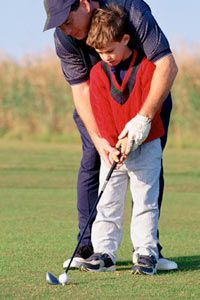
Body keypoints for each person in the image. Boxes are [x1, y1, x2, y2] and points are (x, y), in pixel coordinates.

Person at [43, 0, 178, 271]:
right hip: (101, 107)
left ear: (83, 4)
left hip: (146, 101)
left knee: (147, 182)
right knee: (94, 159)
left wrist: (142, 122)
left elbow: (166, 65)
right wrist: (101, 140)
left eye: (68, 21)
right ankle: (94, 249)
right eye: (59, 25)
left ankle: (149, 249)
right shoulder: (65, 38)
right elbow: (81, 90)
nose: (65, 30)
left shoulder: (131, 9)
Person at [80, 4, 166, 274]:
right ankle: (104, 252)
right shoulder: (97, 74)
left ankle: (145, 253)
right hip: (113, 151)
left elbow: (147, 108)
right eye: (99, 52)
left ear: (125, 39)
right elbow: (101, 113)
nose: (105, 57)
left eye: (110, 50)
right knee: (108, 202)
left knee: (144, 201)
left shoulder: (148, 67)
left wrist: (132, 141)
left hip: (146, 145)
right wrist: (109, 146)